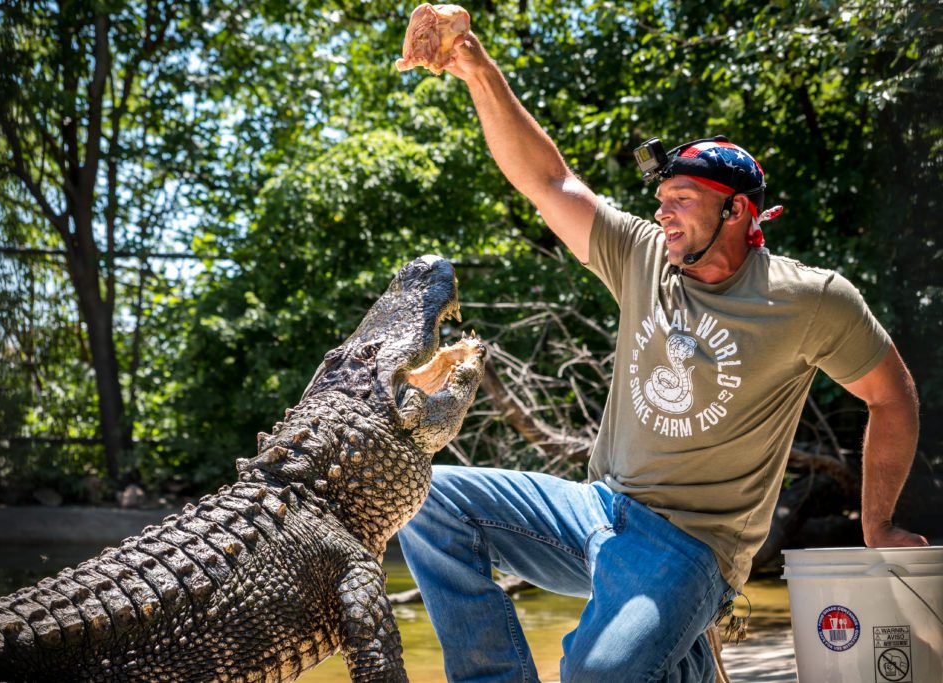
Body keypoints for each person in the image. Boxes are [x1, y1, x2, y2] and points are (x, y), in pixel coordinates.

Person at [396, 27, 929, 683]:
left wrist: (877, 525)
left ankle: (684, 651)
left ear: (736, 211)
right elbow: (548, 178)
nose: (664, 214)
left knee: (596, 674)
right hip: (597, 510)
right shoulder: (644, 254)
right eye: (661, 200)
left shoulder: (811, 300)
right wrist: (476, 68)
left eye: (681, 201)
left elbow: (891, 394)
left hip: (694, 546)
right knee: (426, 498)